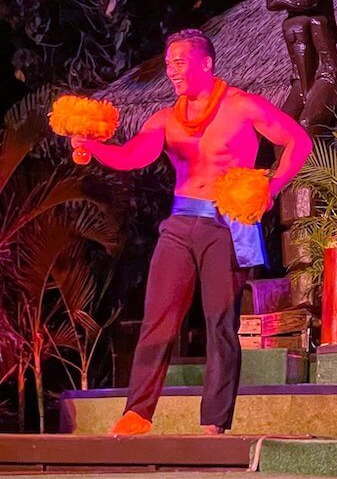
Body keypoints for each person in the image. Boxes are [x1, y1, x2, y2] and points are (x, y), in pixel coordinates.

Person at [73, 29, 312, 435]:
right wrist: (94, 148)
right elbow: (135, 156)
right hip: (181, 224)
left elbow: (299, 142)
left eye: (179, 62)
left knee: (220, 322)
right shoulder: (166, 117)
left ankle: (214, 422)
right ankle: (138, 413)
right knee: (158, 317)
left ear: (205, 63)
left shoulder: (241, 106)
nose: (171, 71)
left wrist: (271, 187)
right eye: (168, 64)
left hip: (227, 222)